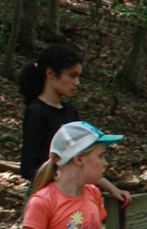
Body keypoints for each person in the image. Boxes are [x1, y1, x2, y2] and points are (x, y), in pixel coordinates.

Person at [18, 44, 132, 206]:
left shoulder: (70, 111)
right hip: (45, 199)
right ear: (50, 73)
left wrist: (111, 188)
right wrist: (60, 184)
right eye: (72, 76)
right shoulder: (36, 112)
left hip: (73, 195)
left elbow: (83, 158)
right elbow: (29, 167)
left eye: (78, 77)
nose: (77, 83)